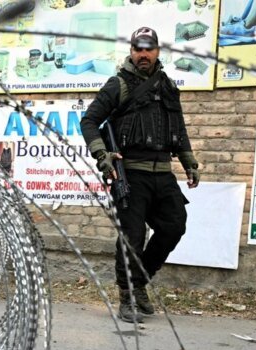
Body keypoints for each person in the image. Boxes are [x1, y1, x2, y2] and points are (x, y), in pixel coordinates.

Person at [80, 26, 200, 323]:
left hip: (163, 173)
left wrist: (189, 161)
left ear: (158, 51)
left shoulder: (168, 86)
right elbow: (89, 121)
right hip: (131, 172)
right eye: (138, 49)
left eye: (148, 49)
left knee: (174, 227)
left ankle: (139, 283)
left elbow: (179, 129)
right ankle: (127, 295)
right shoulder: (118, 84)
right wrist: (103, 155)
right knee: (132, 237)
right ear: (132, 51)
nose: (143, 54)